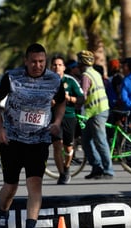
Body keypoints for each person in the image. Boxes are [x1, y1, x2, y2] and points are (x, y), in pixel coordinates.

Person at [0, 43, 66, 228]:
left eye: (41, 61)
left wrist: (57, 123)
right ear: (26, 61)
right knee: (11, 186)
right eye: (33, 61)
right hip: (12, 139)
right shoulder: (12, 77)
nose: (37, 65)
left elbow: (61, 102)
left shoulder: (54, 79)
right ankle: (3, 213)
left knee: (35, 185)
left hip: (39, 140)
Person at [77, 50, 113, 179]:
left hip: (97, 112)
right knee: (86, 141)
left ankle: (108, 170)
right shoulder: (95, 73)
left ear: (81, 63)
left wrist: (75, 104)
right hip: (96, 111)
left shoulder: (86, 76)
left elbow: (83, 96)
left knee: (100, 141)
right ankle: (97, 167)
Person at [50, 54, 84, 184]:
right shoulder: (45, 82)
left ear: (64, 67)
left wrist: (70, 98)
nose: (57, 67)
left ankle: (67, 167)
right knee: (57, 145)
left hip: (69, 116)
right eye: (54, 65)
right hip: (53, 118)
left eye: (59, 65)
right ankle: (61, 174)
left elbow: (81, 99)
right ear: (50, 67)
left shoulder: (71, 81)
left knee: (68, 148)